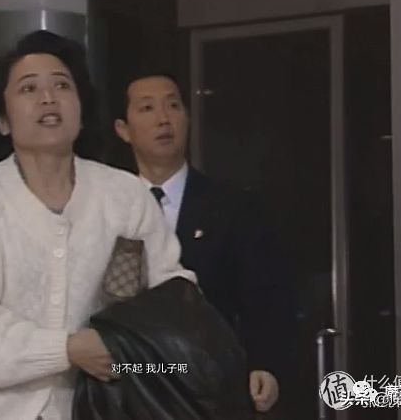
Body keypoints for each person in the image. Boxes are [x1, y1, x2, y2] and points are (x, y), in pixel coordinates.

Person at [0, 31, 196, 420]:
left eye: (62, 85)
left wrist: (128, 357)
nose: (48, 98)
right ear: (2, 120)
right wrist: (67, 349)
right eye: (29, 88)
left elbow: (173, 300)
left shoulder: (125, 195)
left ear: (81, 110)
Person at [114, 72, 295, 413]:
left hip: (211, 384)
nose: (163, 119)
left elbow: (266, 296)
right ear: (123, 129)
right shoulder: (109, 208)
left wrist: (265, 364)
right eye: (147, 108)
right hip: (129, 383)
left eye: (173, 106)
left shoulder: (232, 207)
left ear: (187, 118)